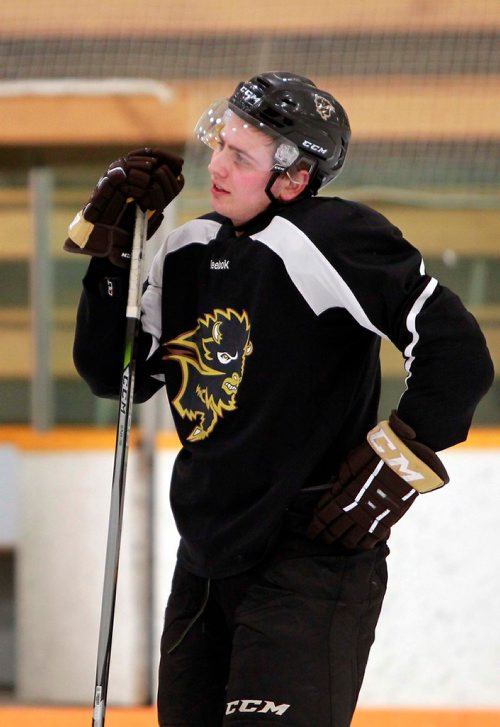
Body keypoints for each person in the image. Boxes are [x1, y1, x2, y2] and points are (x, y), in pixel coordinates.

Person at [64, 72, 494, 726]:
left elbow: (458, 353)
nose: (217, 166)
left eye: (241, 156)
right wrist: (115, 256)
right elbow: (113, 373)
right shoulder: (183, 250)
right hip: (202, 566)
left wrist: (398, 460)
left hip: (309, 562)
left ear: (294, 178)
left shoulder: (334, 236)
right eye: (219, 145)